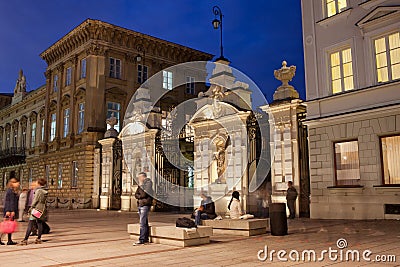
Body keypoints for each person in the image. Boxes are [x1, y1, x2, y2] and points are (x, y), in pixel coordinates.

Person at [19, 178, 48, 245]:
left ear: (39, 183)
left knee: (30, 224)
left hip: (36, 208)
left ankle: (25, 239)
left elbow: (35, 200)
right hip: (41, 208)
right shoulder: (44, 191)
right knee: (39, 223)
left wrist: (31, 207)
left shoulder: (38, 191)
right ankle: (39, 238)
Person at [134, 172, 153, 245]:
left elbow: (144, 194)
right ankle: (146, 238)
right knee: (144, 222)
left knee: (142, 223)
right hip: (140, 204)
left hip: (145, 204)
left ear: (143, 177)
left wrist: (141, 186)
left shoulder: (148, 183)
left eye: (139, 177)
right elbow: (136, 194)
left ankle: (141, 239)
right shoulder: (141, 185)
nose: (139, 179)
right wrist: (139, 195)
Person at [2, 178, 20, 245]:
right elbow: (10, 201)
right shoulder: (10, 191)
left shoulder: (11, 190)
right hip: (9, 210)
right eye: (17, 182)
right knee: (8, 225)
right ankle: (9, 240)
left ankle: (9, 240)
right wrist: (11, 210)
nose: (18, 184)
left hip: (9, 210)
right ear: (13, 183)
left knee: (8, 225)